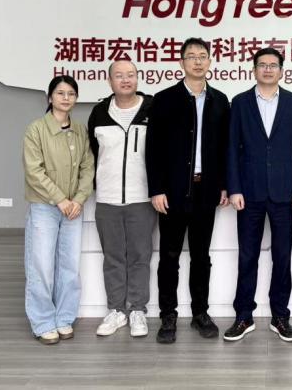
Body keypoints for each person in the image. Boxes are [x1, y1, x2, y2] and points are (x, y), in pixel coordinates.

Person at [146, 37, 230, 344]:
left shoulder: (220, 100)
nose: (197, 61)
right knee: (169, 256)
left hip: (206, 191)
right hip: (172, 192)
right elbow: (153, 149)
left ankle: (200, 313)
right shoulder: (164, 99)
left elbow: (225, 148)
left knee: (201, 256)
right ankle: (168, 316)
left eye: (202, 56)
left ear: (210, 62)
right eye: (191, 56)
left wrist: (224, 185)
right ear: (181, 63)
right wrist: (156, 189)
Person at [223, 47, 292, 342]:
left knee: (282, 257)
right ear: (255, 69)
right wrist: (234, 188)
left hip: (285, 192)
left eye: (273, 65)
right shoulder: (240, 102)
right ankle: (243, 316)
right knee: (247, 256)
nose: (268, 69)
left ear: (281, 71)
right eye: (263, 65)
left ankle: (280, 316)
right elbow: (231, 148)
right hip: (249, 192)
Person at [23, 75, 94, 345]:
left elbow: (88, 167)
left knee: (69, 265)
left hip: (74, 208)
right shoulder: (36, 130)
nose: (66, 98)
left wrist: (79, 199)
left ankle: (64, 318)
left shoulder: (80, 130)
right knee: (41, 265)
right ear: (50, 97)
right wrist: (60, 200)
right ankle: (42, 322)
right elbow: (34, 171)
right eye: (60, 93)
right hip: (45, 206)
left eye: (71, 94)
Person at [88, 60, 156, 338]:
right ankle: (116, 310)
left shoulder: (152, 108)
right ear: (110, 81)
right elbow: (92, 155)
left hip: (142, 198)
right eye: (119, 75)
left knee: (140, 256)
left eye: (130, 75)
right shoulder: (99, 112)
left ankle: (137, 310)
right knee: (113, 257)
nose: (125, 80)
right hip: (107, 198)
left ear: (138, 78)